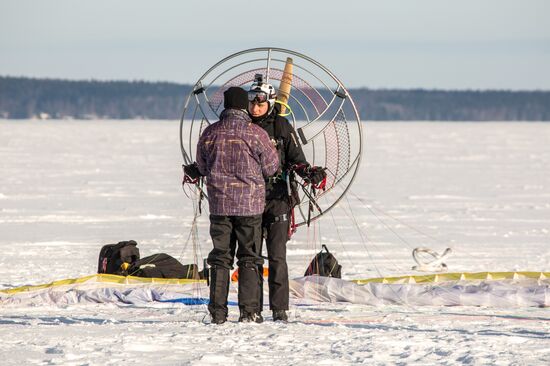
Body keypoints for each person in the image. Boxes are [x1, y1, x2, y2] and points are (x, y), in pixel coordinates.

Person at [187, 86, 279, 324]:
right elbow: (271, 168)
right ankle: (249, 312)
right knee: (249, 258)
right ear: (243, 105)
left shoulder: (209, 133)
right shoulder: (256, 133)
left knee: (220, 259)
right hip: (250, 207)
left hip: (219, 207)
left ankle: (217, 313)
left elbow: (202, 167)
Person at [247, 76, 327, 322]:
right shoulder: (242, 126)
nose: (255, 107)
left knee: (277, 255)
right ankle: (251, 308)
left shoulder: (282, 127)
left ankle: (279, 308)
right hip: (248, 199)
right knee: (250, 256)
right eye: (251, 102)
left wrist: (308, 172)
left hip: (278, 198)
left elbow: (296, 159)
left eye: (260, 103)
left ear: (270, 103)